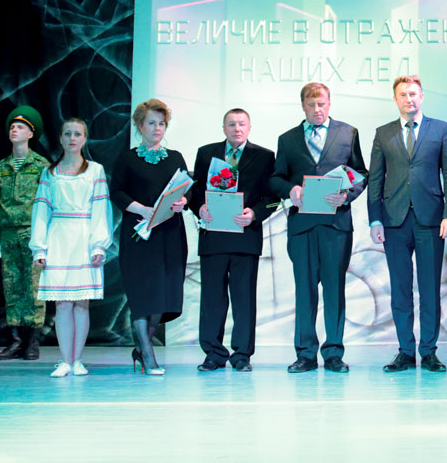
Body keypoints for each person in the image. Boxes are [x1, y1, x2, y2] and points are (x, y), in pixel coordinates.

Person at [269, 83, 368, 373]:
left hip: (336, 225)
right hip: (302, 226)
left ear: (329, 103)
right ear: (303, 106)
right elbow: (275, 178)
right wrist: (290, 190)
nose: (317, 109)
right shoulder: (287, 139)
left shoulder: (348, 133)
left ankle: (334, 353)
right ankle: (305, 354)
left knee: (335, 289)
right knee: (305, 290)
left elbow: (361, 173)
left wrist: (347, 195)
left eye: (321, 104)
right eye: (311, 105)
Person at [367, 75, 447, 372]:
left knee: (430, 289)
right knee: (400, 289)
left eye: (413, 94)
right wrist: (375, 219)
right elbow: (375, 179)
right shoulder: (383, 133)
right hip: (394, 221)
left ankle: (429, 351)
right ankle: (405, 351)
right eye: (403, 94)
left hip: (431, 220)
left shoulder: (441, 129)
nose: (409, 99)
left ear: (422, 97)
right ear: (395, 99)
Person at [190, 108, 276, 372]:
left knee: (244, 299)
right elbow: (194, 190)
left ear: (249, 127)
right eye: (231, 124)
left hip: (245, 237)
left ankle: (242, 355)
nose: (237, 128)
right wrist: (198, 207)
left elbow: (273, 198)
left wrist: (255, 214)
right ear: (223, 127)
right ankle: (213, 354)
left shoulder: (265, 156)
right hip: (213, 237)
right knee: (212, 299)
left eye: (241, 124)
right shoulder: (206, 153)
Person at [29, 118, 113, 377]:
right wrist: (39, 248)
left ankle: (77, 360)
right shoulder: (50, 173)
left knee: (81, 303)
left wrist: (98, 245)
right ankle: (65, 360)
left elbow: (101, 208)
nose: (72, 138)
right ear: (61, 138)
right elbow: (41, 210)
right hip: (58, 238)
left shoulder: (95, 171)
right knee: (62, 304)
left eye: (77, 134)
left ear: (85, 139)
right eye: (68, 134)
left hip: (84, 237)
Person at [111, 100, 188, 376]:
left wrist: (183, 201)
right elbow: (116, 192)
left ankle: (142, 346)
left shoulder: (175, 157)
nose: (157, 128)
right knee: (143, 293)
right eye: (151, 123)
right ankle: (147, 352)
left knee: (163, 293)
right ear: (140, 126)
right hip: (139, 234)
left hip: (170, 233)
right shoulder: (127, 157)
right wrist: (142, 209)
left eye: (161, 123)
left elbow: (186, 190)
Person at [0, 106, 49, 360]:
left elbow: (47, 204)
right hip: (8, 235)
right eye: (12, 127)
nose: (15, 130)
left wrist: (44, 240)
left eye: (21, 127)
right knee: (12, 288)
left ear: (30, 134)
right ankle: (15, 341)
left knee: (34, 288)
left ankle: (33, 341)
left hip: (31, 233)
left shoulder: (41, 166)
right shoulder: (1, 166)